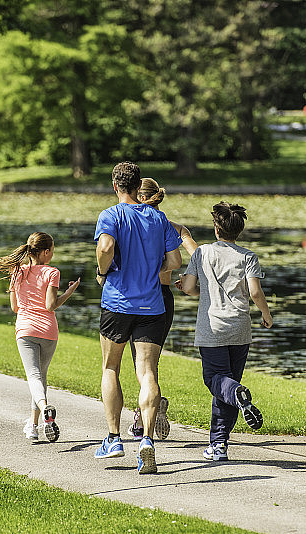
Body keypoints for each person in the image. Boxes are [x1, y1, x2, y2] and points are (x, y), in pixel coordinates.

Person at [93, 162, 183, 474]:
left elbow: (105, 246)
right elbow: (175, 259)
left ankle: (114, 439)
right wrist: (149, 272)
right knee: (147, 373)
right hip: (152, 307)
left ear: (115, 185)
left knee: (111, 367)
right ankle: (147, 440)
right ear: (137, 186)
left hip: (117, 304)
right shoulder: (158, 218)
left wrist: (103, 272)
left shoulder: (111, 215)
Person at [176, 201, 273, 462]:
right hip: (240, 330)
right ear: (238, 230)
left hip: (212, 329)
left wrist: (184, 285)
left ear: (216, 229)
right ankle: (219, 445)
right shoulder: (248, 256)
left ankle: (224, 429)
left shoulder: (203, 253)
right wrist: (266, 313)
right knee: (227, 382)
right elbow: (254, 291)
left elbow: (190, 288)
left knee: (216, 380)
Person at [0, 232, 80, 442]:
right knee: (40, 377)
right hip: (48, 331)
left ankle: (44, 408)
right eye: (52, 251)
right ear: (46, 252)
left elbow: (14, 307)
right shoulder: (52, 272)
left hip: (26, 330)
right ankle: (34, 425)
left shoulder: (17, 272)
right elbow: (50, 306)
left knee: (34, 376)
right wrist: (70, 291)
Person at [126, 178, 199, 441]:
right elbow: (198, 257)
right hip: (164, 297)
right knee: (148, 362)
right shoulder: (174, 227)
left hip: (141, 296)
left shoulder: (131, 226)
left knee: (142, 362)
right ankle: (151, 406)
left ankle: (143, 413)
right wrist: (189, 281)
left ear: (137, 196)